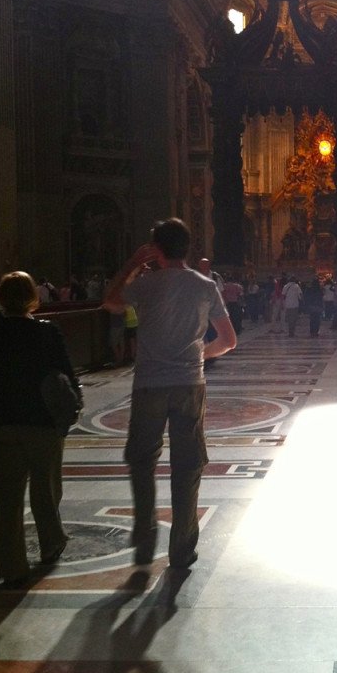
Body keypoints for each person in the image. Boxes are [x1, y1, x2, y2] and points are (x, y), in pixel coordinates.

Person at [102, 218, 236, 569]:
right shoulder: (205, 285)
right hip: (189, 383)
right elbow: (228, 340)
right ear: (188, 247)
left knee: (142, 459)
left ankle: (145, 533)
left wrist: (132, 264)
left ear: (155, 249)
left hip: (149, 384)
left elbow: (111, 301)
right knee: (188, 464)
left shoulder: (145, 283)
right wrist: (199, 354)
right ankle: (182, 547)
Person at [0, 271, 81, 586]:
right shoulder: (48, 333)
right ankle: (51, 544)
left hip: (1, 425)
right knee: (45, 491)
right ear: (33, 297)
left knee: (7, 500)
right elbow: (67, 375)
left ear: (1, 299)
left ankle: (11, 566)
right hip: (42, 424)